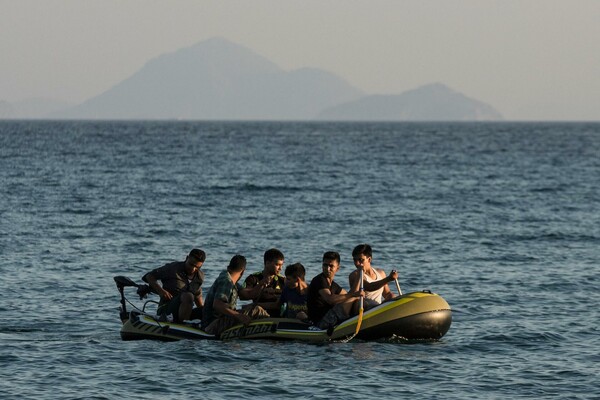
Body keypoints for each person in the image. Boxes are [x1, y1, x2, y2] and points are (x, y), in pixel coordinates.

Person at [202, 255, 269, 336]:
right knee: (257, 310)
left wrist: (260, 285)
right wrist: (239, 316)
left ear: (228, 267)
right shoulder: (226, 282)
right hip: (212, 326)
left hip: (220, 321)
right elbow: (217, 305)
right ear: (243, 271)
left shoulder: (232, 281)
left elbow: (247, 295)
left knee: (255, 309)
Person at [142, 248, 206, 322]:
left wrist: (203, 311)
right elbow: (149, 276)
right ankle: (183, 326)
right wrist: (161, 291)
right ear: (187, 258)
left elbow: (198, 296)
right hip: (167, 310)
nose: (193, 269)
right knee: (188, 296)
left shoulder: (200, 276)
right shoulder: (172, 268)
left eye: (197, 267)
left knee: (209, 309)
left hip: (186, 312)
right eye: (191, 264)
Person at [307, 251, 363, 330]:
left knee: (355, 299)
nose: (327, 269)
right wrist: (353, 295)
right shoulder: (319, 280)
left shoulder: (334, 285)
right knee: (352, 298)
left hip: (330, 318)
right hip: (319, 323)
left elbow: (352, 293)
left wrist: (359, 274)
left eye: (331, 266)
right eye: (325, 265)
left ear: (337, 268)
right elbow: (330, 299)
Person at [348, 244, 398, 309]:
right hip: (363, 309)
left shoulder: (381, 273)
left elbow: (387, 293)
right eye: (355, 260)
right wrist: (388, 279)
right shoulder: (354, 275)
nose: (357, 263)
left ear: (369, 259)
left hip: (377, 309)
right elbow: (369, 287)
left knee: (392, 295)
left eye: (360, 260)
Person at [241, 248, 286, 316]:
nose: (280, 268)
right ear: (267, 263)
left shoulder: (283, 280)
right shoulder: (253, 278)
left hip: (278, 317)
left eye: (281, 265)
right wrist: (260, 287)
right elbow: (242, 296)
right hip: (258, 316)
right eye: (277, 265)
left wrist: (255, 305)